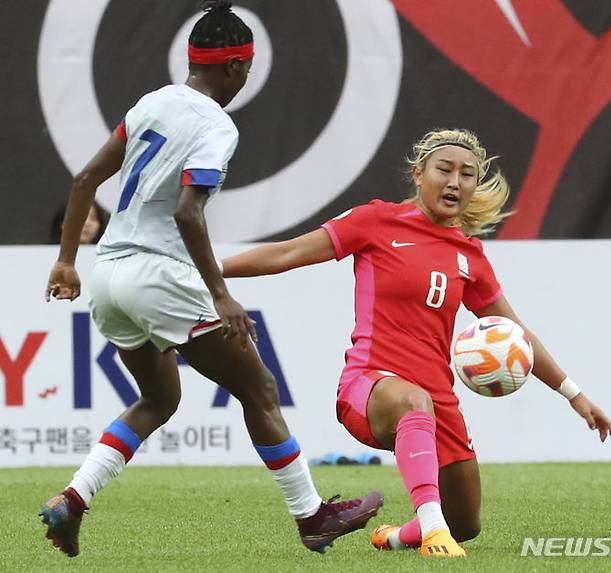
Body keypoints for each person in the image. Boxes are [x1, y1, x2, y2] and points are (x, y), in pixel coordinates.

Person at [40, 0, 382, 558]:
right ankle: (312, 516)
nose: (246, 77)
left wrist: (65, 261)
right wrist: (220, 295)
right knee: (260, 389)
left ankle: (72, 500)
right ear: (237, 67)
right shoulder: (217, 127)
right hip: (159, 274)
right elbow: (186, 213)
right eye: (246, 68)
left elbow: (84, 179)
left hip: (106, 276)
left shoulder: (152, 102)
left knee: (157, 397)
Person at [219, 127, 611, 558]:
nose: (455, 182)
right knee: (414, 404)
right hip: (369, 388)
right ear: (418, 173)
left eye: (467, 175)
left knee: (466, 522)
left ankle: (394, 536)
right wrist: (209, 269)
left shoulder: (470, 256)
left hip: (436, 399)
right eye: (444, 170)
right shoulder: (375, 222)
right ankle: (432, 531)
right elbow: (286, 254)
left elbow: (516, 334)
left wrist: (573, 394)